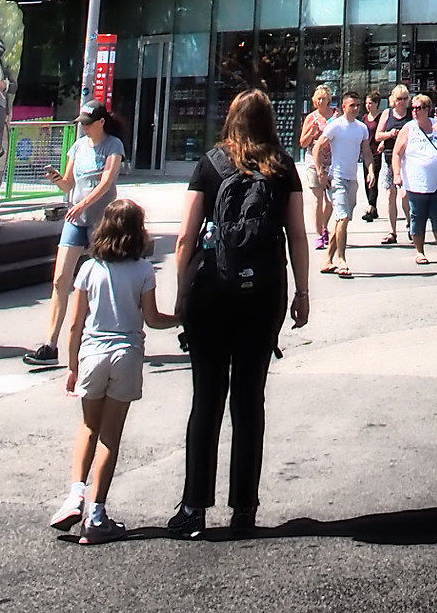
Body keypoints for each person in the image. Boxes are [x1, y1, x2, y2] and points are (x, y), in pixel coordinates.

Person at [168, 88, 309, 540]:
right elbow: (298, 235)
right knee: (249, 400)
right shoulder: (282, 166)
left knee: (206, 399)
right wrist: (302, 292)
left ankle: (194, 507)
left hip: (212, 290)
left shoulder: (210, 164)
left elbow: (185, 236)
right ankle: (244, 508)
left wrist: (181, 292)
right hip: (263, 294)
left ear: (230, 119)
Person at [50, 196, 177, 543]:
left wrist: (72, 366)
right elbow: (152, 319)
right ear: (138, 232)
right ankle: (96, 515)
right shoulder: (143, 270)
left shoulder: (90, 268)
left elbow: (75, 324)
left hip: (92, 353)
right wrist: (182, 318)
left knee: (88, 426)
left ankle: (75, 495)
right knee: (111, 435)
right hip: (127, 353)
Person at [24, 99, 122, 368]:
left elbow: (107, 182)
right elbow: (69, 185)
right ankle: (50, 344)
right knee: (60, 280)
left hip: (101, 221)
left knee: (106, 279)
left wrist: (84, 203)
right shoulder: (78, 146)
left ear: (101, 122)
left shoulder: (113, 145)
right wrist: (57, 179)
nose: (84, 128)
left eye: (88, 124)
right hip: (75, 219)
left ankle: (105, 336)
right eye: (82, 124)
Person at [316, 94, 371, 279]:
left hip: (352, 180)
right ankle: (342, 260)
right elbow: (317, 147)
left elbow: (366, 152)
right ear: (344, 107)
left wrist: (371, 170)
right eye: (352, 105)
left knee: (342, 221)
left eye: (357, 105)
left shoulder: (362, 128)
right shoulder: (336, 125)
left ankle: (327, 259)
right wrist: (320, 172)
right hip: (337, 178)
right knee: (343, 217)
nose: (355, 109)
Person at [396, 94, 437, 265]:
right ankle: (419, 251)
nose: (415, 111)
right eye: (413, 108)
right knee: (417, 218)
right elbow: (397, 153)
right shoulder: (408, 128)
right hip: (415, 183)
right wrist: (397, 174)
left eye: (419, 108)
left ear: (427, 109)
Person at [372, 83, 410, 245]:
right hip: (389, 159)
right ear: (393, 99)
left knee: (405, 194)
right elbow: (377, 136)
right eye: (399, 98)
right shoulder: (387, 114)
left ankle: (410, 223)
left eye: (405, 98)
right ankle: (392, 231)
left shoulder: (411, 114)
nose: (402, 102)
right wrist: (390, 134)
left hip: (407, 159)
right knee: (390, 194)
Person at [296, 85, 333, 253]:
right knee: (318, 199)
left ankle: (324, 226)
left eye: (323, 99)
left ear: (329, 99)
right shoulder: (311, 118)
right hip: (314, 161)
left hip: (332, 161)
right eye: (318, 99)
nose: (320, 102)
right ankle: (319, 234)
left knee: (331, 200)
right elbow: (303, 143)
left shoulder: (335, 115)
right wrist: (312, 133)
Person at [360, 93, 383, 220]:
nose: (368, 105)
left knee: (373, 179)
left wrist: (383, 143)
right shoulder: (364, 118)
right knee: (366, 179)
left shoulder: (380, 117)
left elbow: (383, 131)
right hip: (366, 152)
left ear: (376, 104)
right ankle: (372, 205)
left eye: (370, 103)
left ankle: (371, 207)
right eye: (366, 103)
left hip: (376, 153)